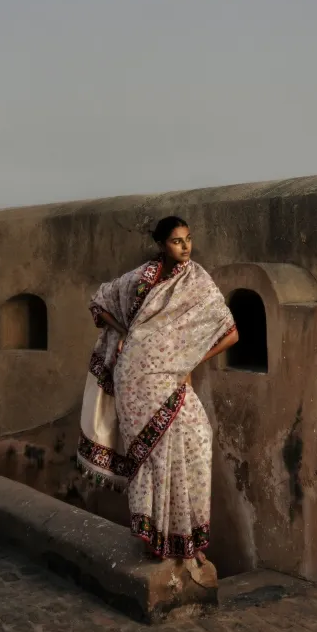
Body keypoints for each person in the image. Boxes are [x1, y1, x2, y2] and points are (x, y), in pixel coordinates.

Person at [76, 216, 238, 562]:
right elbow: (100, 300)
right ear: (162, 245)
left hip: (170, 378)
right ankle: (156, 539)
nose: (186, 246)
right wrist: (125, 332)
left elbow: (231, 334)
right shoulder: (140, 279)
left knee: (197, 439)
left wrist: (189, 363)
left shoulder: (198, 282)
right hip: (134, 381)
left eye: (188, 239)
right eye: (177, 241)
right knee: (151, 458)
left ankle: (184, 539)